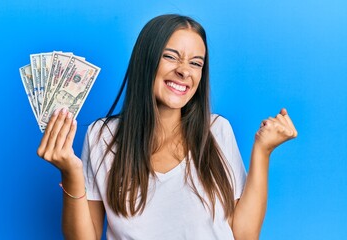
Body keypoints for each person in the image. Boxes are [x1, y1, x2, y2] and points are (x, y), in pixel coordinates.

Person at [37, 14, 297, 240]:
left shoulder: (217, 130)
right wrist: (70, 173)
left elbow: (245, 235)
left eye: (196, 63)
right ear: (146, 61)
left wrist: (263, 151)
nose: (185, 71)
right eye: (171, 57)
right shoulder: (102, 136)